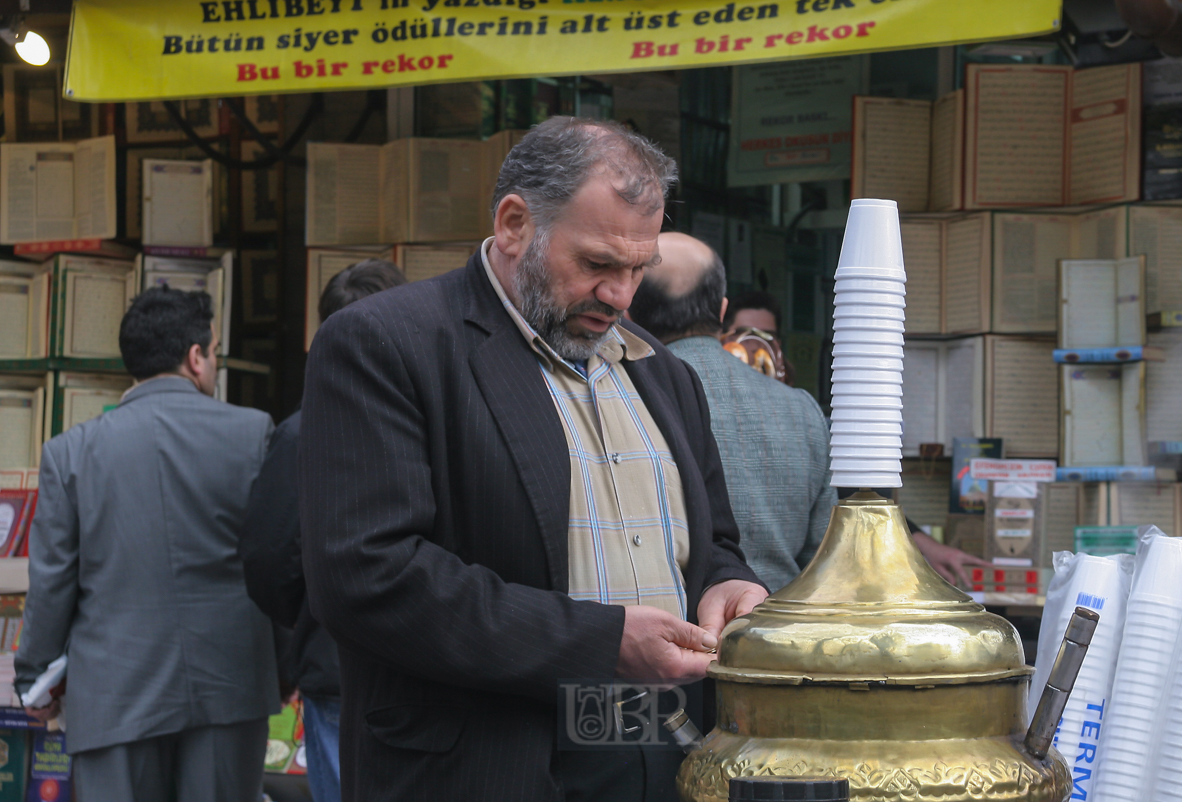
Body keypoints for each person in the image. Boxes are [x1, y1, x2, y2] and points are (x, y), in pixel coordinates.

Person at [300, 117, 767, 802]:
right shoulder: (387, 345)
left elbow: (715, 542)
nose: (621, 295)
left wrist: (729, 585)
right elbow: (368, 576)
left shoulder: (662, 373)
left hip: (664, 755)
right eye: (598, 264)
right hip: (490, 766)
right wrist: (601, 641)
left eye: (639, 268)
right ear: (515, 224)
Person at [16, 287, 277, 802]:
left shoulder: (68, 454)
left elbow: (51, 584)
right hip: (230, 688)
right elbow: (277, 560)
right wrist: (288, 665)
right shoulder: (254, 434)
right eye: (215, 351)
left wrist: (34, 680)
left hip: (114, 697)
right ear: (195, 357)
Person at [630, 232, 988, 590]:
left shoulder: (624, 396)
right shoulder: (804, 410)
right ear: (722, 311)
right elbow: (828, 557)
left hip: (666, 634)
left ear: (627, 308)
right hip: (778, 631)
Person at [239, 259, 407, 802]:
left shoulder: (302, 432)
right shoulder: (443, 414)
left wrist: (313, 614)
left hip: (336, 664)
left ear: (322, 338)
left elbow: (268, 558)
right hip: (436, 670)